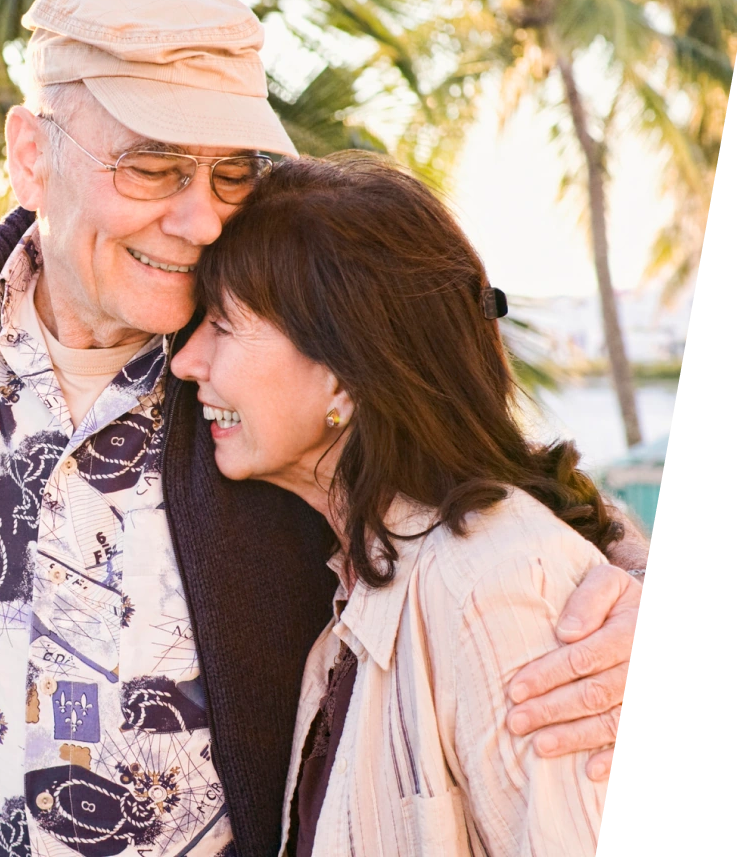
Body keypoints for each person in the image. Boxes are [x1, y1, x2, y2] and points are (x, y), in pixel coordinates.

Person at [0, 0, 647, 856]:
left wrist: (635, 590)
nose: (201, 221)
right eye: (153, 167)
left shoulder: (261, 342)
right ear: (32, 156)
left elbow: (469, 469)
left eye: (231, 173)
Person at [171, 152, 629, 855]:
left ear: (344, 379)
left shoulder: (494, 586)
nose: (186, 361)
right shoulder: (366, 584)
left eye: (225, 325)